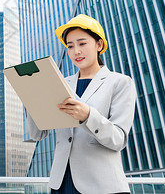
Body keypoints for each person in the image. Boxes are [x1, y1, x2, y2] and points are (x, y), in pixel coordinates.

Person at [26, 14, 137, 194]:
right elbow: (37, 134)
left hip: (101, 186)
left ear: (99, 45)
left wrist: (88, 116)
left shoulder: (120, 82)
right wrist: (32, 101)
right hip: (61, 184)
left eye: (82, 43)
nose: (76, 51)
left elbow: (118, 139)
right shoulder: (60, 83)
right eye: (70, 46)